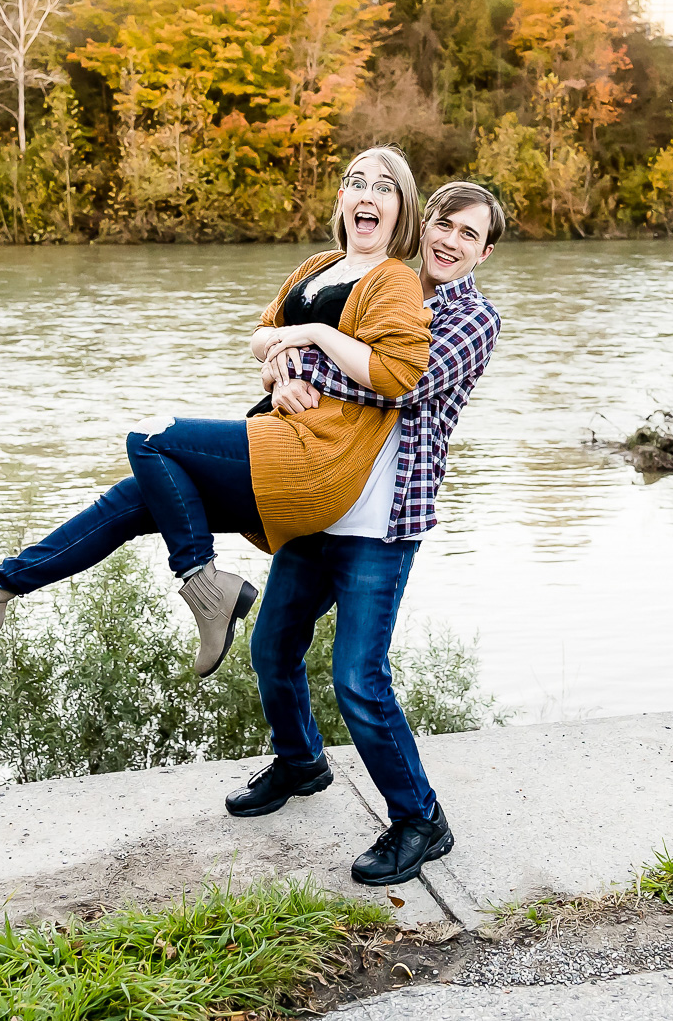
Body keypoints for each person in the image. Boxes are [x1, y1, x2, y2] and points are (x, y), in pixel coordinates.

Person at [0, 148, 431, 679]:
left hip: (320, 459)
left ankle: (202, 584)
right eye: (358, 182)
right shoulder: (319, 267)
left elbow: (398, 373)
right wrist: (281, 364)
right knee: (134, 499)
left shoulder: (393, 280)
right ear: (340, 199)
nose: (368, 196)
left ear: (401, 211)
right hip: (277, 437)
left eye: (385, 188)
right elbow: (260, 335)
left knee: (151, 438)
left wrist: (310, 334)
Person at [224, 181, 507, 887]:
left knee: (359, 677)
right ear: (423, 223)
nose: (449, 241)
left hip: (383, 520)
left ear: (484, 252)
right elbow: (283, 338)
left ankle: (420, 819)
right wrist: (277, 368)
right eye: (443, 224)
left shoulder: (475, 321)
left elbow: (397, 383)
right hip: (321, 497)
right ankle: (301, 763)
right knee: (272, 647)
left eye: (468, 235)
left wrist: (301, 350)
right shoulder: (375, 285)